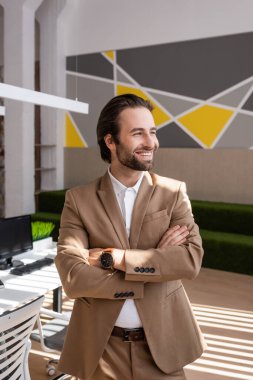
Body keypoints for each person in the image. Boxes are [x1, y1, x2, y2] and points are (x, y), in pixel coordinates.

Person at [55, 94, 206, 380]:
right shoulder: (78, 200)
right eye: (138, 133)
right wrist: (157, 263)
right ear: (110, 141)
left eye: (152, 132)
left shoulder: (173, 193)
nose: (151, 142)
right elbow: (73, 277)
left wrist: (117, 258)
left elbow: (189, 260)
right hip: (101, 350)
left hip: (163, 347)